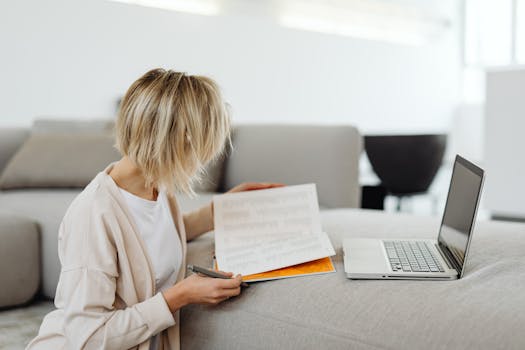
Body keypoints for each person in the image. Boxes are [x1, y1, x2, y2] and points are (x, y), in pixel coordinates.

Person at [27, 68, 282, 350]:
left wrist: (220, 210)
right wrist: (179, 296)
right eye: (203, 144)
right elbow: (87, 338)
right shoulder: (94, 216)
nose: (205, 157)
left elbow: (149, 238)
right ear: (182, 138)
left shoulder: (157, 187)